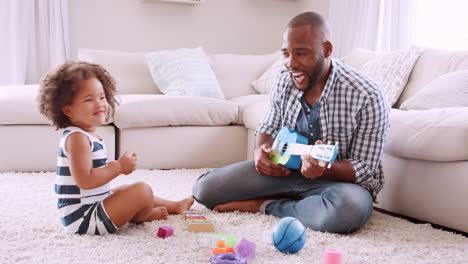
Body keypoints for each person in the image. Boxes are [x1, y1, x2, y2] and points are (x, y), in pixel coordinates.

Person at [192, 12, 390, 234]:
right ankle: (298, 202)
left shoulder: (367, 95)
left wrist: (324, 168)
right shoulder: (284, 80)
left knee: (347, 211)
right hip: (284, 172)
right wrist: (260, 152)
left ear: (326, 50)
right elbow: (268, 126)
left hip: (338, 185)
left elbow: (365, 167)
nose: (291, 63)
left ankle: (267, 205)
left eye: (301, 53)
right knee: (205, 189)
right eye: (286, 54)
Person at [38, 61, 194, 235]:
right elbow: (86, 181)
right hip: (83, 218)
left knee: (123, 190)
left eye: (102, 97)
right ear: (67, 110)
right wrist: (118, 167)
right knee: (142, 191)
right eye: (89, 99)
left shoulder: (87, 135)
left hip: (93, 204)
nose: (99, 104)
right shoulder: (77, 138)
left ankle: (175, 206)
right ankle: (140, 216)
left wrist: (115, 168)